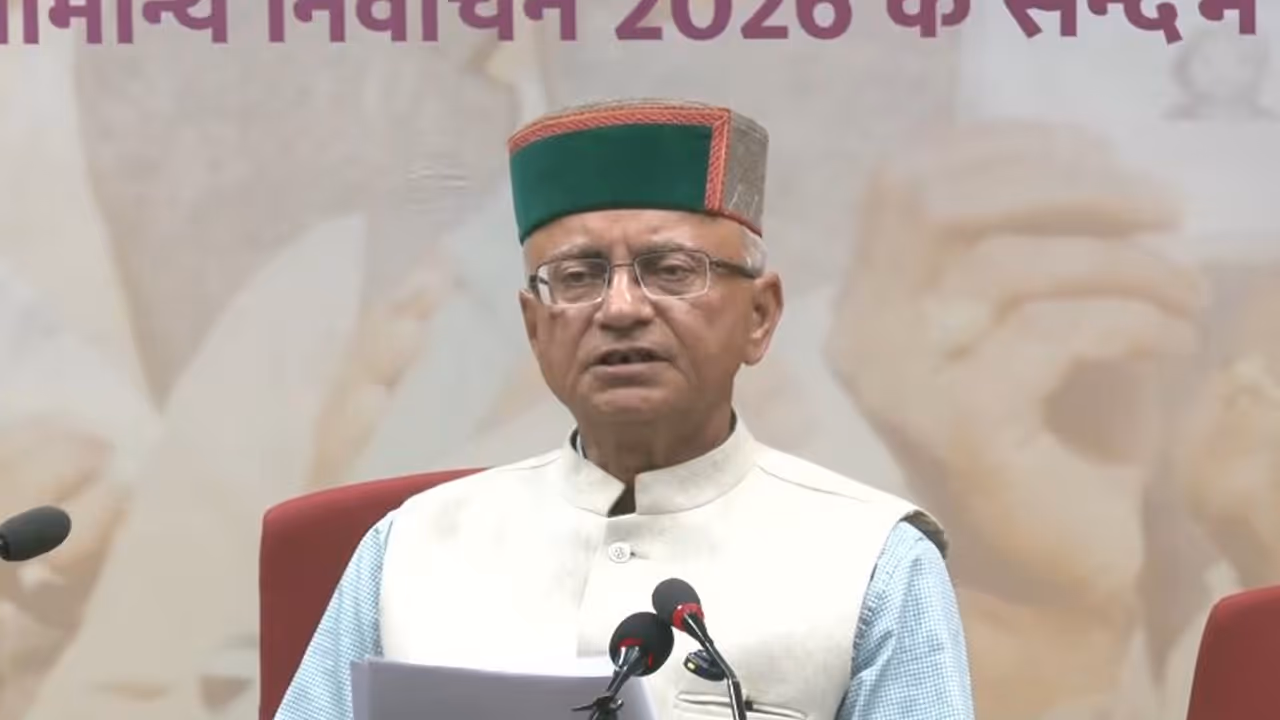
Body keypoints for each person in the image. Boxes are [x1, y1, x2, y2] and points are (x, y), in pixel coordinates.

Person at [272, 98, 974, 720]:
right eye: (577, 277)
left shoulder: (872, 562)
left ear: (760, 316)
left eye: (671, 271)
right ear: (535, 328)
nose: (620, 309)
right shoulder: (410, 549)